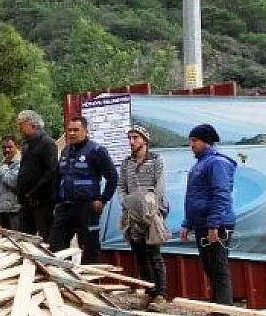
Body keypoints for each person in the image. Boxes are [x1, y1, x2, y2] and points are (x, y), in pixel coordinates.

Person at [180, 123, 237, 316]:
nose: (191, 145)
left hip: (217, 225)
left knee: (218, 267)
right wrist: (187, 223)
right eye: (190, 141)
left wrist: (214, 225)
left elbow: (221, 195)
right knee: (210, 267)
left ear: (206, 141)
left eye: (195, 141)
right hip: (202, 224)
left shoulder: (216, 163)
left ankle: (224, 312)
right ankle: (217, 308)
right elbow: (194, 197)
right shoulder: (200, 163)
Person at [50, 116, 118, 264]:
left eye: (76, 130)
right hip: (65, 206)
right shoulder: (65, 151)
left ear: (86, 132)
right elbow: (58, 177)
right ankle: (65, 281)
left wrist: (103, 199)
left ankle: (93, 284)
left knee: (90, 248)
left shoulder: (96, 150)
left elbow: (112, 176)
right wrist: (56, 201)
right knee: (56, 246)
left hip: (87, 207)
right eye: (69, 130)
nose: (72, 133)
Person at [119, 124, 169, 305]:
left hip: (152, 214)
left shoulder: (156, 160)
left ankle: (161, 295)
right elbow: (121, 186)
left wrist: (151, 208)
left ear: (144, 140)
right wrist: (126, 203)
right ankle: (149, 291)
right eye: (130, 138)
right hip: (133, 215)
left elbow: (160, 187)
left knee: (154, 254)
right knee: (139, 254)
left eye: (136, 138)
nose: (132, 142)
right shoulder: (126, 163)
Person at [15, 110, 57, 241]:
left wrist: (34, 192)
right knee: (24, 240)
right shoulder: (26, 144)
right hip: (26, 201)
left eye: (21, 124)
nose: (19, 128)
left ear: (31, 124)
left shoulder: (47, 143)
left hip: (41, 201)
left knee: (46, 238)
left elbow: (51, 172)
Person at [0, 135, 22, 231]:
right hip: (2, 211)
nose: (7, 150)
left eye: (10, 147)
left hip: (15, 211)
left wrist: (3, 170)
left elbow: (14, 182)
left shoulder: (21, 163)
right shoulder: (4, 163)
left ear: (17, 147)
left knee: (14, 241)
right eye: (4, 147)